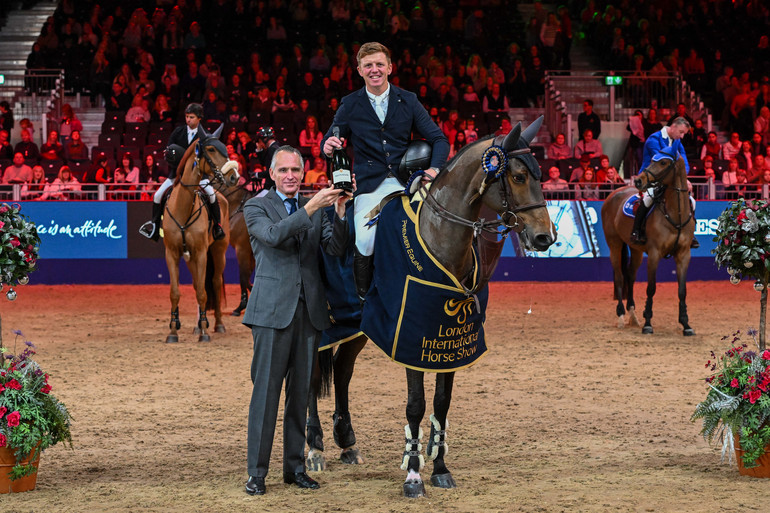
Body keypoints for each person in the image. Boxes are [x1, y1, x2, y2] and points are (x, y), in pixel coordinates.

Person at [241, 145, 351, 496]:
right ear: (272, 174)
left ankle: (295, 468)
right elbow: (273, 236)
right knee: (266, 395)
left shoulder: (317, 208)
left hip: (309, 313)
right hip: (271, 314)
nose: (290, 175)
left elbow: (334, 249)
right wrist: (310, 207)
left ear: (302, 174)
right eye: (284, 170)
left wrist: (339, 211)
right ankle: (257, 474)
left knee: (300, 396)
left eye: (296, 170)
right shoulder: (256, 205)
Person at [321, 41, 450, 300]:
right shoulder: (349, 104)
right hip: (370, 186)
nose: (374, 69)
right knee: (365, 240)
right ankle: (364, 299)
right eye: (368, 65)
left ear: (390, 67)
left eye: (380, 64)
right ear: (359, 70)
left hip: (409, 183)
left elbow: (440, 139)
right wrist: (327, 145)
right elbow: (330, 138)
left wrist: (434, 170)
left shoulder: (409, 100)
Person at [139, 103, 225, 241]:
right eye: (186, 117)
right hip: (177, 175)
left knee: (211, 194)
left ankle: (217, 226)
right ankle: (154, 227)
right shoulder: (177, 132)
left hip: (199, 176)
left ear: (199, 118)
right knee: (157, 195)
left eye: (191, 117)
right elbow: (168, 151)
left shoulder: (206, 136)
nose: (188, 120)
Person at [632, 117, 699, 247]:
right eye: (681, 132)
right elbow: (661, 161)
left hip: (669, 179)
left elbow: (683, 160)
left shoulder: (677, 141)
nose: (682, 135)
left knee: (692, 201)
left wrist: (684, 178)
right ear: (673, 127)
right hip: (651, 178)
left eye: (684, 133)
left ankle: (690, 233)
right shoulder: (654, 139)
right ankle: (636, 231)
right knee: (648, 199)